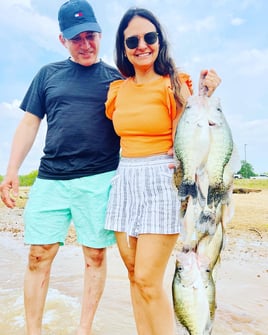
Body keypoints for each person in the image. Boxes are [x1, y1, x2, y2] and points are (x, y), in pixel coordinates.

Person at [0, 1, 122, 334]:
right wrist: (12, 171)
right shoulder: (47, 75)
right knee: (38, 255)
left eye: (90, 36)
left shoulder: (116, 79)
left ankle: (84, 329)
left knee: (95, 256)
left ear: (99, 34)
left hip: (99, 178)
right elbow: (29, 124)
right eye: (76, 38)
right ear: (62, 40)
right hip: (51, 178)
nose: (85, 44)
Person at [104, 7, 221, 335]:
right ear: (123, 47)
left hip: (162, 179)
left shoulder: (174, 82)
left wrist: (206, 93)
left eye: (149, 37)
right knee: (132, 275)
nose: (142, 45)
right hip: (125, 178)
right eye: (133, 40)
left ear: (159, 41)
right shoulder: (117, 90)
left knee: (147, 278)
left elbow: (197, 125)